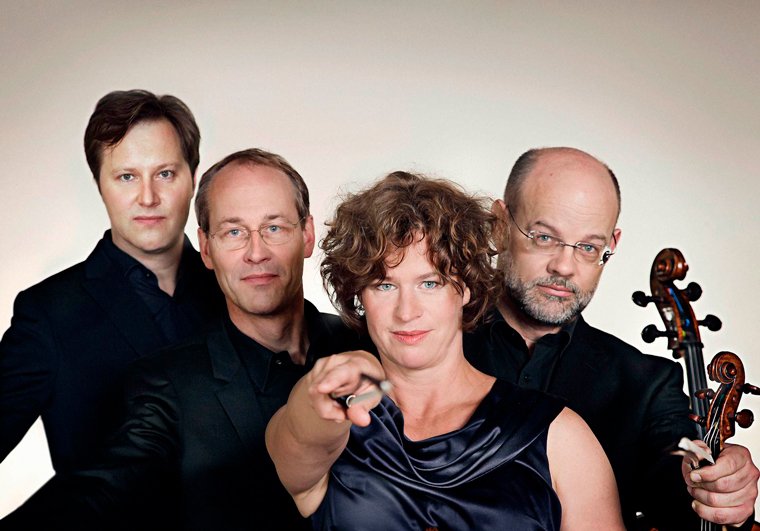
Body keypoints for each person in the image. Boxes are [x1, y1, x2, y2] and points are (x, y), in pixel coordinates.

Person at [0, 148, 365, 530]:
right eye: (234, 232)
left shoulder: (362, 341)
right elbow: (95, 492)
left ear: (306, 235)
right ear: (206, 248)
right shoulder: (167, 385)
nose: (256, 253)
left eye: (274, 228)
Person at [266, 171, 625, 530]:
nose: (407, 312)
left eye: (430, 283)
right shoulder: (328, 419)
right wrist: (328, 393)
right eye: (384, 286)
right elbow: (301, 435)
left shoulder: (559, 436)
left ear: (465, 288)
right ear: (359, 295)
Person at [464, 146, 759, 530]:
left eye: (589, 247)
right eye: (544, 237)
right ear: (500, 225)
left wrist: (723, 489)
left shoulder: (646, 384)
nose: (564, 266)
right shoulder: (425, 343)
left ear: (612, 245)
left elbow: (680, 472)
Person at [0, 89, 223, 475]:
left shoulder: (237, 289)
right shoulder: (48, 314)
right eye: (127, 176)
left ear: (193, 178)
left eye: (165, 174)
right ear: (100, 184)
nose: (148, 197)